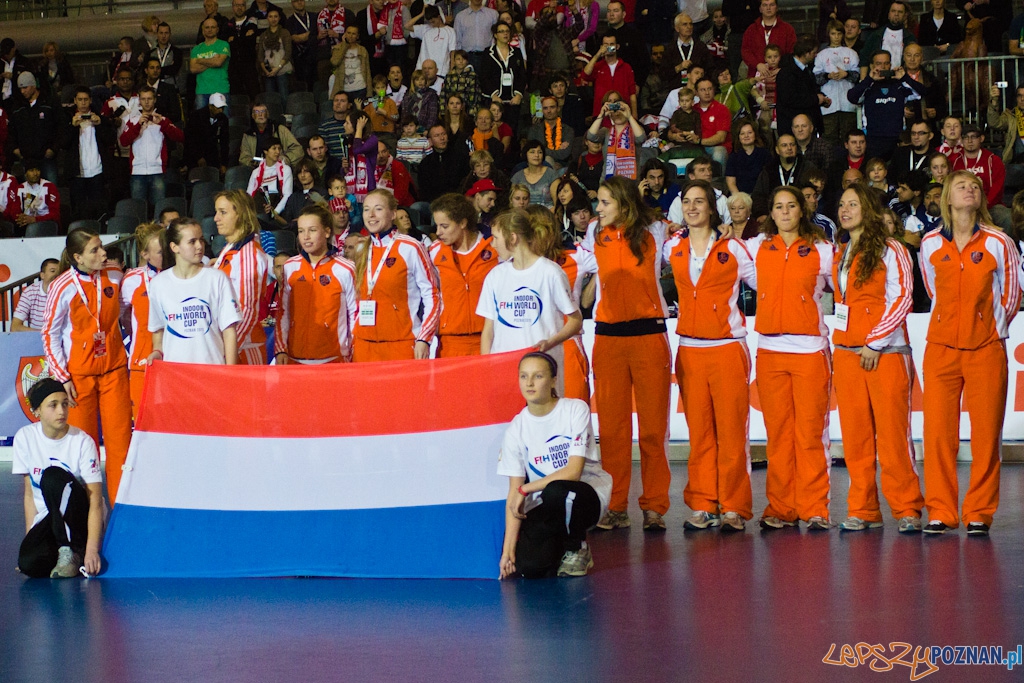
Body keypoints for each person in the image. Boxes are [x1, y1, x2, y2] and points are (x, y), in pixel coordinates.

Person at [919, 171, 1022, 535]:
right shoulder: (930, 243)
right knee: (937, 434)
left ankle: (979, 511)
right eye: (962, 185)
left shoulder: (999, 241)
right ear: (948, 197)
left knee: (984, 435)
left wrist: (991, 329)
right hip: (941, 350)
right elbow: (933, 291)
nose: (970, 190)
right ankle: (941, 511)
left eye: (976, 187)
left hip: (985, 350)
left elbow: (1012, 294)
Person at [664, 179, 757, 532]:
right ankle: (703, 503)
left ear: (711, 207)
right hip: (689, 350)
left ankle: (733, 506)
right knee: (699, 433)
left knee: (732, 432)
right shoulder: (673, 246)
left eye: (699, 201)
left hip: (727, 348)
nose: (692, 207)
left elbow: (767, 281)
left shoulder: (734, 248)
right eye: (687, 201)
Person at [831, 183, 923, 533]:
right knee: (855, 439)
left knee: (892, 437)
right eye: (842, 204)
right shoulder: (841, 250)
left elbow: (902, 298)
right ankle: (863, 509)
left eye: (853, 204)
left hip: (885, 353)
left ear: (868, 209)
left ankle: (907, 509)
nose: (845, 210)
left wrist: (875, 341)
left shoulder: (891, 248)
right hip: (847, 353)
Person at [583, 176, 671, 532]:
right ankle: (615, 505)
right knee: (613, 430)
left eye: (605, 202)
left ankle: (654, 506)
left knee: (653, 430)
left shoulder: (657, 229)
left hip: (649, 336)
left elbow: (695, 246)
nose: (598, 209)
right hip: (608, 338)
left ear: (623, 202)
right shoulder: (594, 232)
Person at [747, 185, 834, 530]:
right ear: (771, 212)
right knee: (778, 434)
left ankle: (815, 508)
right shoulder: (755, 248)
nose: (785, 212)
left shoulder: (823, 250)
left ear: (802, 210)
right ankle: (781, 507)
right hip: (769, 350)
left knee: (811, 434)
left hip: (810, 351)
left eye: (791, 206)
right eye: (778, 206)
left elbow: (842, 288)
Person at [498, 352, 611, 579]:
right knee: (530, 566)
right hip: (546, 503)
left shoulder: (575, 410)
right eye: (524, 376)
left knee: (558, 490)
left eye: (537, 376)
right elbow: (514, 493)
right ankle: (560, 544)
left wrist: (527, 489)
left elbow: (573, 472)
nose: (529, 383)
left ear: (553, 381)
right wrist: (507, 550)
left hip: (585, 496)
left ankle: (577, 547)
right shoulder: (515, 429)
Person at [40, 230, 133, 503]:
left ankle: (122, 508)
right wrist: (62, 377)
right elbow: (49, 334)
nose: (103, 254)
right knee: (84, 446)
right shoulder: (62, 286)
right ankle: (86, 512)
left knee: (121, 446)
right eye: (95, 250)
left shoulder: (115, 275)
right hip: (79, 377)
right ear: (77, 257)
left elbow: (128, 315)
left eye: (101, 247)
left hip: (114, 371)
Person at [478, 209, 582, 386]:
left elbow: (575, 321)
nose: (492, 244)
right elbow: (488, 330)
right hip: (503, 373)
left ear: (512, 238)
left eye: (495, 237)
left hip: (542, 371)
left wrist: (549, 343)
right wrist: (486, 366)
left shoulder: (550, 273)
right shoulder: (495, 276)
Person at [13, 379, 105, 579]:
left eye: (64, 403)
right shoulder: (24, 438)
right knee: (29, 563)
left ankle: (73, 549)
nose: (61, 411)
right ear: (37, 411)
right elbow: (30, 496)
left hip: (79, 517)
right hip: (51, 517)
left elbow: (96, 500)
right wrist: (31, 538)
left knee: (52, 476)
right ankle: (65, 551)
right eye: (53, 405)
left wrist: (92, 550)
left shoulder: (82, 441)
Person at [353, 189, 440, 361]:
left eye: (378, 209)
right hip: (364, 345)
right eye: (366, 209)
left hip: (401, 344)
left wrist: (424, 338)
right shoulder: (361, 249)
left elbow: (432, 294)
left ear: (393, 213)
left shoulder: (410, 247)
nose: (370, 215)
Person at [148, 217, 241, 365]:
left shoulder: (217, 278)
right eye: (192, 242)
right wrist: (157, 353)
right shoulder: (158, 284)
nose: (199, 246)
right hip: (176, 375)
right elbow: (158, 331)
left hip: (211, 372)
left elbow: (229, 331)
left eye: (201, 240)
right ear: (174, 247)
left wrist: (230, 372)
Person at [274, 205, 358, 364]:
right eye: (301, 231)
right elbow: (283, 312)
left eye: (312, 230)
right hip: (294, 358)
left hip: (334, 359)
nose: (305, 237)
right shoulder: (290, 267)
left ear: (327, 232)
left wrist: (353, 353)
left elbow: (355, 314)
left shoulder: (345, 268)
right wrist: (281, 349)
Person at [428, 193, 498, 357]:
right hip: (449, 342)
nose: (438, 232)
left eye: (444, 226)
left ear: (462, 223)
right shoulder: (434, 252)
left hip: (489, 338)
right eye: (437, 226)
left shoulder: (494, 248)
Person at [213, 190, 274, 365]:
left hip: (245, 351)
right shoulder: (232, 248)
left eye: (223, 212)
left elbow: (247, 311)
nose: (216, 218)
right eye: (217, 212)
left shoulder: (248, 255)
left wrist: (225, 353)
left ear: (240, 214)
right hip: (232, 348)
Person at [846, 50, 927, 161]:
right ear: (872, 66)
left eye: (886, 63)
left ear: (890, 65)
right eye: (879, 64)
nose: (883, 67)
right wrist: (869, 79)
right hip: (873, 140)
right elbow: (852, 97)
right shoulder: (868, 85)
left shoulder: (899, 84)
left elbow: (923, 92)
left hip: (897, 139)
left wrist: (904, 78)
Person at [119, 223, 165, 420]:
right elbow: (120, 315)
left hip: (176, 361)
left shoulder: (183, 275)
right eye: (161, 252)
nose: (168, 254)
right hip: (143, 362)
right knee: (143, 422)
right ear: (145, 254)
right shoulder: (132, 280)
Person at [119, 85, 185, 205]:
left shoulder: (162, 120)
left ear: (155, 100)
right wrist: (138, 125)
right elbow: (124, 141)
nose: (147, 102)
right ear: (139, 101)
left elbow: (180, 137)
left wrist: (163, 124)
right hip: (137, 171)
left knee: (159, 207)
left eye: (149, 98)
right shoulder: (133, 120)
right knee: (138, 208)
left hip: (157, 170)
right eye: (143, 99)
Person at [63, 87, 113, 222]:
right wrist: (72, 127)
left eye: (86, 99)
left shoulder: (100, 119)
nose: (83, 103)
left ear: (90, 100)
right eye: (80, 100)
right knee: (78, 211)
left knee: (99, 210)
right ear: (75, 101)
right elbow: (63, 144)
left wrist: (100, 124)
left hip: (97, 171)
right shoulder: (68, 120)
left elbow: (110, 140)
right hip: (77, 173)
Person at [814, 20, 860, 143]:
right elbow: (816, 79)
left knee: (848, 137)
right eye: (833, 34)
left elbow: (857, 76)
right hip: (829, 104)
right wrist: (828, 76)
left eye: (839, 34)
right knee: (829, 138)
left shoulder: (851, 53)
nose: (836, 37)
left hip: (847, 103)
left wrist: (846, 74)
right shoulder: (821, 55)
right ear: (828, 34)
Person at [9, 72, 59, 184]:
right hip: (26, 159)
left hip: (46, 158)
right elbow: (12, 131)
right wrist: (15, 149)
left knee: (50, 192)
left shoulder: (49, 103)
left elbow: (59, 127)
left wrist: (53, 149)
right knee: (29, 197)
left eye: (25, 87)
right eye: (20, 88)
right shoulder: (18, 108)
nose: (23, 91)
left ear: (33, 85)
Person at [587, 91, 648, 182]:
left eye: (616, 102)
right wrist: (601, 115)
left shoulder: (634, 130)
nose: (615, 107)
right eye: (610, 102)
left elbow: (641, 138)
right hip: (608, 183)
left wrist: (629, 115)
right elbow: (591, 136)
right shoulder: (606, 131)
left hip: (630, 184)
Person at [479, 22, 528, 134]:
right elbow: (484, 76)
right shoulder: (488, 53)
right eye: (501, 31)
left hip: (512, 100)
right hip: (493, 100)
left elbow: (522, 75)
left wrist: (518, 94)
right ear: (495, 35)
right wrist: (494, 95)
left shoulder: (516, 52)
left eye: (507, 31)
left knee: (512, 132)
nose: (505, 34)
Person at [776, 35, 828, 137]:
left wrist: (822, 98)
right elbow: (789, 99)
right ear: (806, 53)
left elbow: (811, 90)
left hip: (808, 125)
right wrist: (816, 99)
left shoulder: (806, 70)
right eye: (814, 52)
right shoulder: (786, 72)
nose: (816, 55)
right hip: (792, 127)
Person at [582, 34, 638, 120]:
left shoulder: (626, 67)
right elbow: (585, 75)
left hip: (622, 114)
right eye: (605, 45)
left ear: (617, 46)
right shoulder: (597, 66)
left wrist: (634, 114)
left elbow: (632, 93)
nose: (608, 47)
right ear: (601, 47)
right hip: (601, 115)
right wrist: (598, 54)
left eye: (611, 44)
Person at [950, 123, 1006, 208]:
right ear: (961, 140)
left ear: (981, 138)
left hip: (990, 206)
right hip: (962, 207)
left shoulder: (994, 160)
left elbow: (997, 190)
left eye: (974, 137)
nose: (970, 141)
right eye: (966, 137)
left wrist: (983, 206)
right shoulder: (954, 161)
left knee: (1006, 217)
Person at [240, 100, 305, 168]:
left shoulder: (280, 129)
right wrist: (254, 163)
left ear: (267, 114)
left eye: (263, 111)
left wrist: (285, 159)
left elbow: (298, 150)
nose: (260, 114)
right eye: (256, 112)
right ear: (253, 116)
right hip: (257, 170)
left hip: (279, 168)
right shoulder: (248, 135)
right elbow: (243, 158)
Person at [741, 0, 796, 75]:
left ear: (777, 8)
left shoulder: (787, 29)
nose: (768, 8)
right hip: (756, 74)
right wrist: (757, 64)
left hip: (781, 75)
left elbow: (792, 52)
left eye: (772, 5)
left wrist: (782, 69)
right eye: (765, 5)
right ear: (760, 9)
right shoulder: (751, 29)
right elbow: (745, 51)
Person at [858, 1, 915, 71]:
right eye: (893, 11)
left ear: (905, 15)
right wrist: (863, 81)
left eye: (900, 12)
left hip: (901, 77)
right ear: (888, 14)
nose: (896, 14)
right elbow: (864, 59)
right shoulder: (875, 35)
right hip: (878, 78)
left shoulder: (910, 37)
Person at [247, 137, 294, 224]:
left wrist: (275, 212)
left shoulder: (285, 169)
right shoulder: (256, 172)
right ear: (265, 151)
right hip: (259, 206)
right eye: (274, 148)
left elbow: (287, 194)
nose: (277, 152)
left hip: (277, 207)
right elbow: (249, 195)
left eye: (279, 148)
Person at [419, 124, 471, 202]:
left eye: (443, 134)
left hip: (456, 200)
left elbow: (465, 183)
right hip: (433, 203)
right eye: (437, 135)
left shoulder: (460, 157)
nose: (442, 138)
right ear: (430, 141)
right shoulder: (425, 163)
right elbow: (424, 189)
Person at [183, 92, 230, 173]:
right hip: (194, 156)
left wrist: (224, 163)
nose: (220, 110)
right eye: (218, 107)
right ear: (210, 106)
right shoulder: (196, 116)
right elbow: (190, 139)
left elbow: (224, 141)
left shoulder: (223, 119)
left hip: (212, 156)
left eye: (222, 108)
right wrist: (199, 157)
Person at [191, 17, 232, 109]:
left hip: (221, 88)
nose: (210, 29)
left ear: (217, 29)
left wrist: (200, 60)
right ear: (203, 30)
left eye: (213, 27)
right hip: (202, 90)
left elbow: (218, 63)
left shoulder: (224, 44)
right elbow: (193, 69)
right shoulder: (196, 49)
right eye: (207, 27)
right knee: (202, 122)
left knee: (222, 120)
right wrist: (212, 60)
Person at [12, 259, 59, 332]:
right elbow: (15, 327)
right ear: (42, 275)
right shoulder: (30, 292)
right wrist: (42, 334)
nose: (56, 275)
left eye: (59, 272)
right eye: (52, 271)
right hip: (37, 338)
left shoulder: (67, 292)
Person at [726, 119, 770, 195]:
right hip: (740, 197)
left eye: (749, 133)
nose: (746, 136)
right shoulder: (733, 157)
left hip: (761, 196)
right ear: (738, 137)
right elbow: (731, 183)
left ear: (755, 135)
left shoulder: (764, 154)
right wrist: (740, 198)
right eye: (742, 133)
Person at [256, 8, 293, 98]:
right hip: (268, 71)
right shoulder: (263, 35)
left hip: (282, 69)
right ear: (267, 18)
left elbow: (288, 53)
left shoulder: (284, 33)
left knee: (284, 96)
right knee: (270, 97)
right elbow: (260, 54)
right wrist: (265, 70)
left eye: (275, 16)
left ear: (279, 18)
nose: (273, 19)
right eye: (271, 17)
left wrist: (277, 68)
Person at [510, 140, 558, 208]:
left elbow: (557, 204)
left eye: (540, 152)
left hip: (547, 215)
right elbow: (513, 203)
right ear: (525, 154)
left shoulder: (552, 174)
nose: (536, 155)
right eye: (532, 152)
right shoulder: (517, 176)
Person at [987, 85, 1024, 165]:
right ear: (1016, 98)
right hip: (1017, 163)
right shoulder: (1011, 116)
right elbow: (994, 123)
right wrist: (994, 101)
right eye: (1019, 96)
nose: (1022, 99)